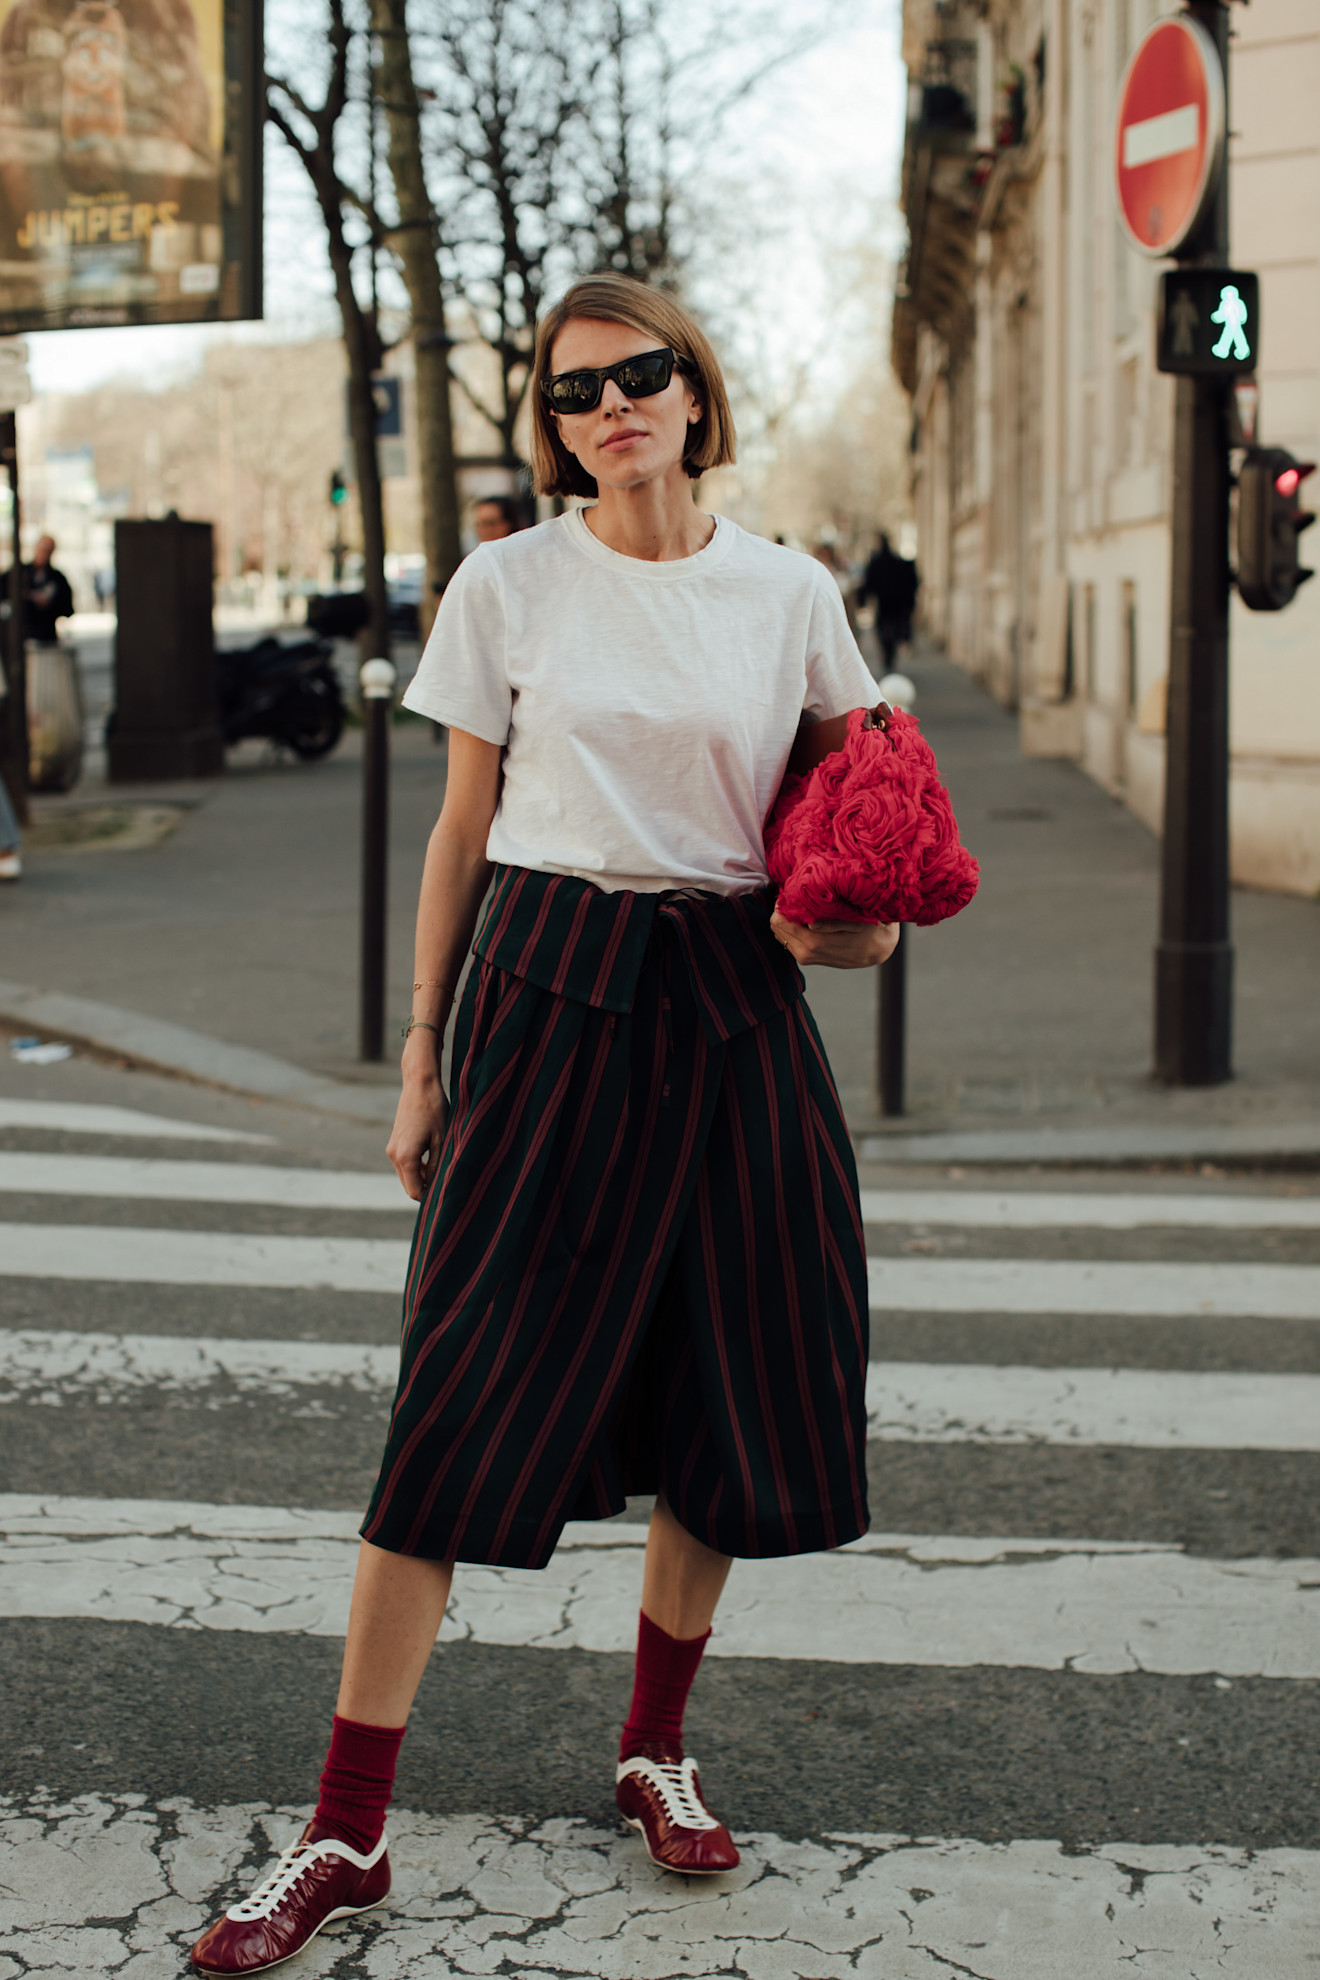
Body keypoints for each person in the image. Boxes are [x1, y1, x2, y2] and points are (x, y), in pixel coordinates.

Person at [190, 273, 898, 1978]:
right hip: (547, 992)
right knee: (456, 1400)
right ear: (553, 427)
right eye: (575, 391)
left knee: (732, 1383)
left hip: (734, 1005)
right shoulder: (507, 584)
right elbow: (459, 833)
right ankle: (347, 1828)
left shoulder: (789, 593)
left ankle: (654, 1748)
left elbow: (850, 829)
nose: (611, 407)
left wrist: (858, 924)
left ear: (695, 391)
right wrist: (423, 1055)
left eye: (639, 374)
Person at [857, 531, 918, 670]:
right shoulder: (896, 562)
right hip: (894, 604)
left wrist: (863, 601)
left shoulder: (876, 562)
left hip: (883, 603)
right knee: (893, 629)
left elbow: (868, 584)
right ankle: (890, 655)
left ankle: (887, 654)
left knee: (883, 630)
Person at [2, 535, 75, 642]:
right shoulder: (19, 573)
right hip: (19, 636)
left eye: (48, 551)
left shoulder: (57, 578)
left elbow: (68, 609)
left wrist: (49, 604)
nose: (44, 554)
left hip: (46, 636)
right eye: (42, 549)